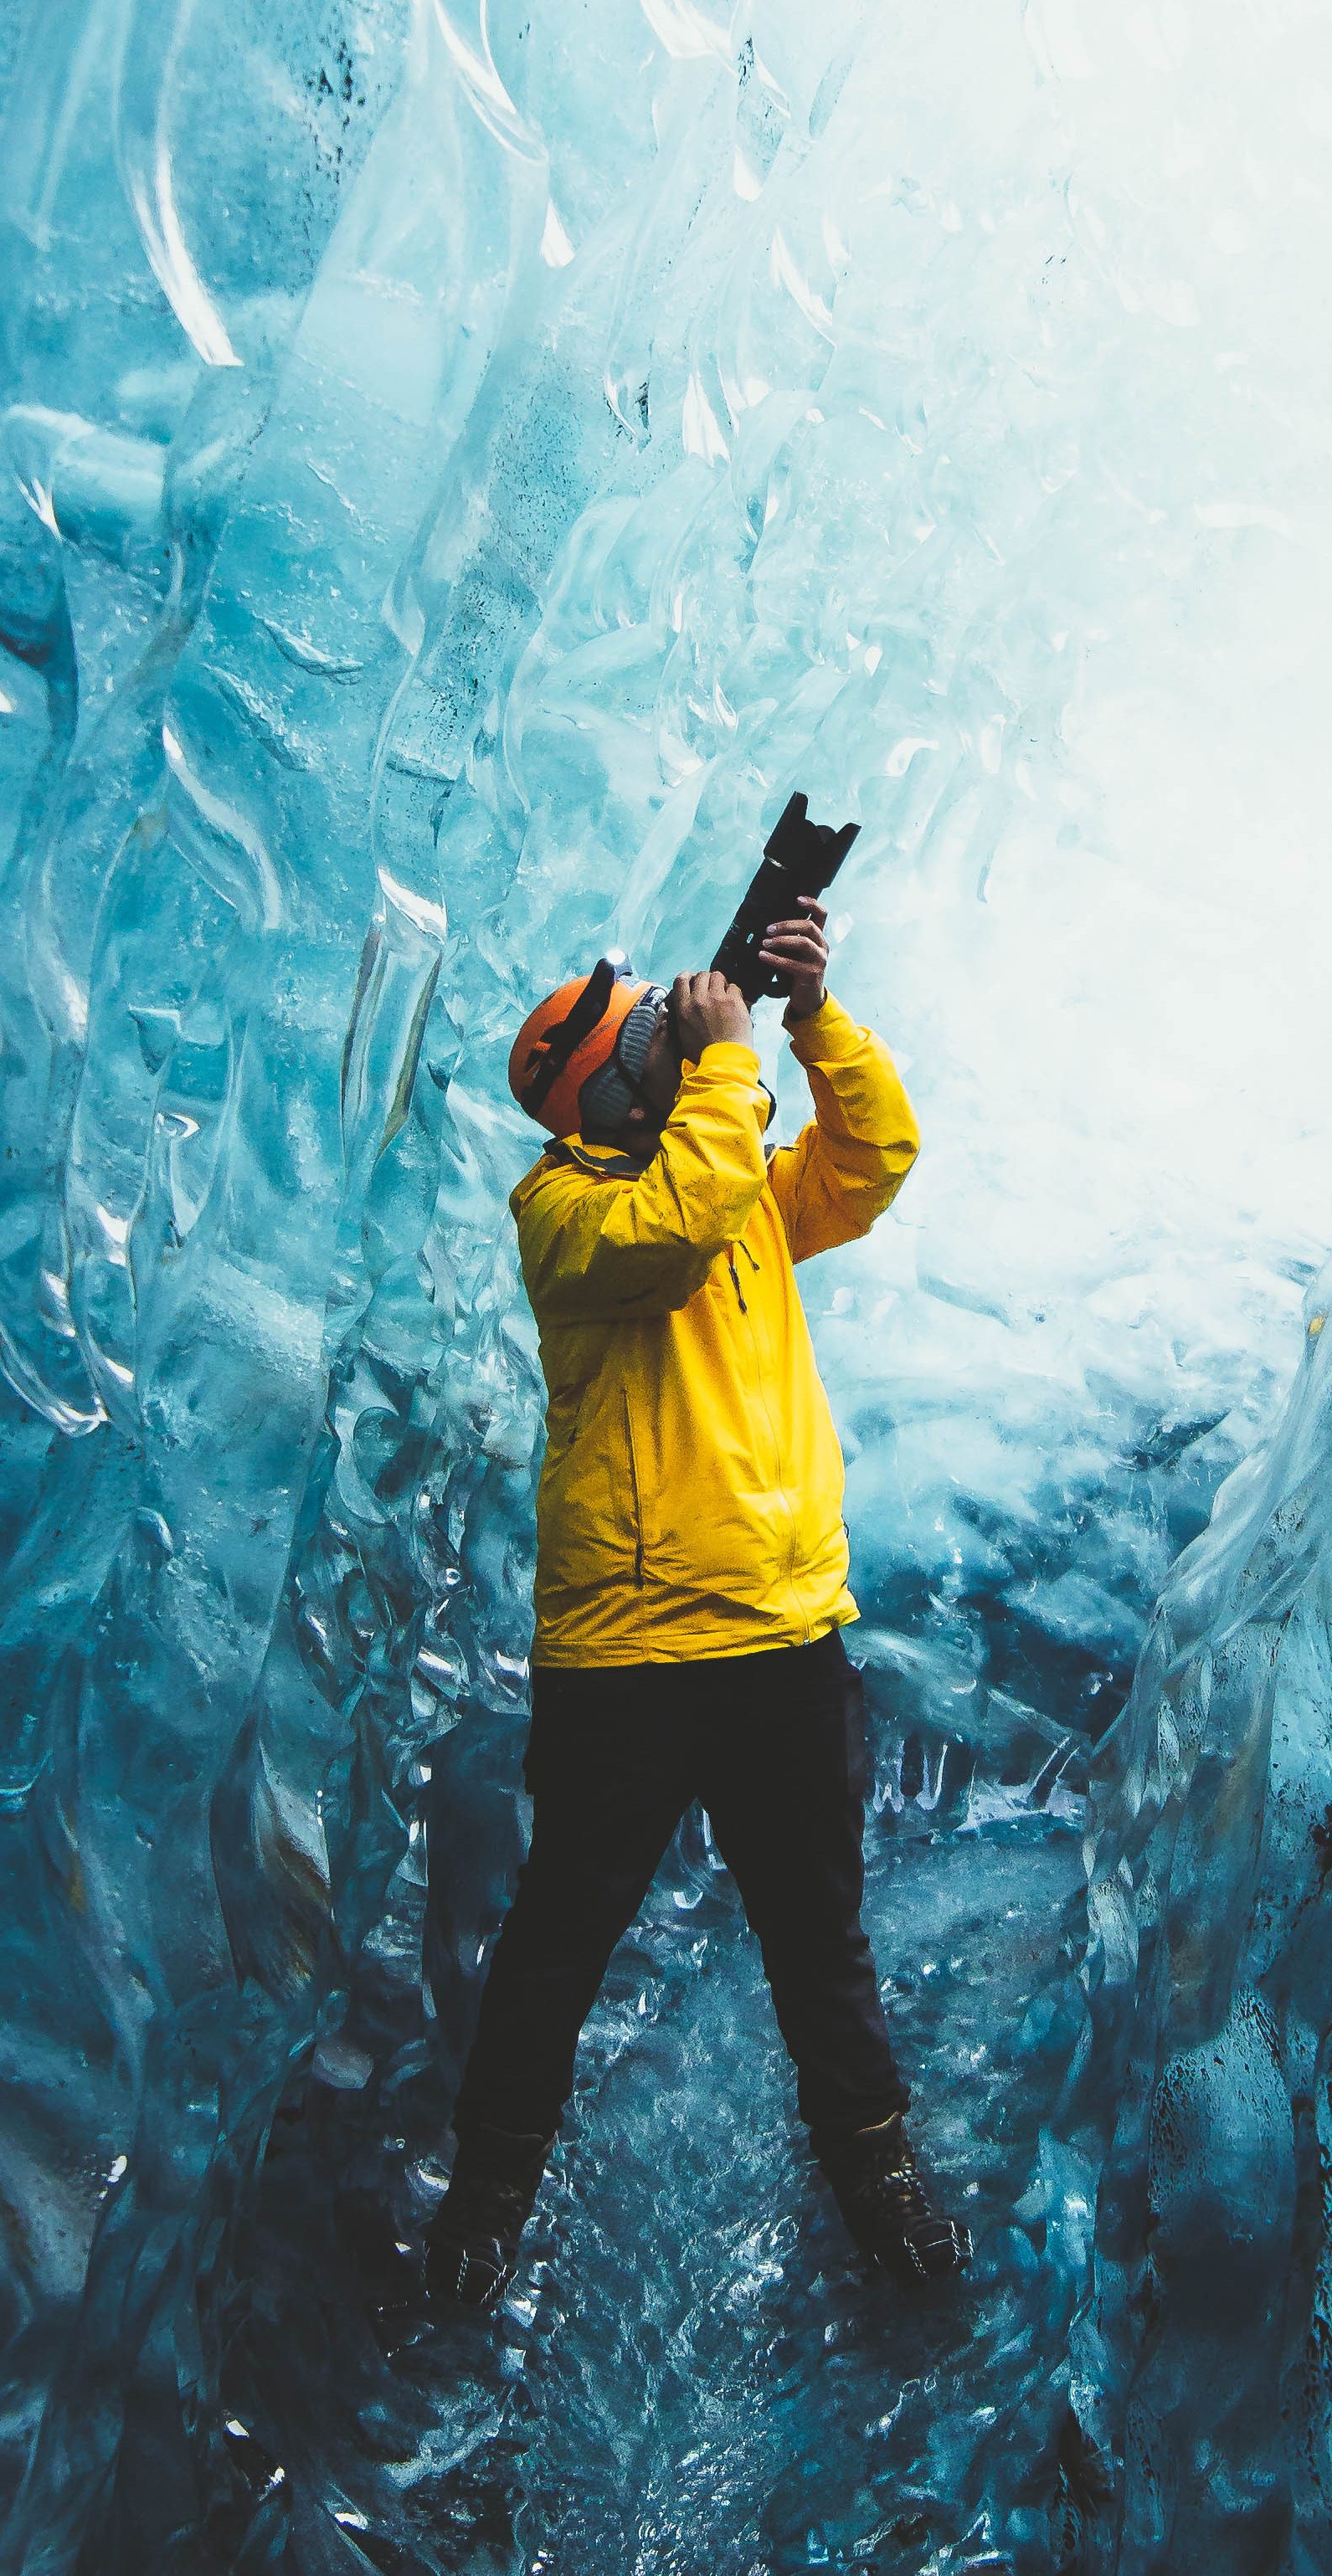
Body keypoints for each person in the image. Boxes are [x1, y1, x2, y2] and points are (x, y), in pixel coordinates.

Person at [425, 898, 973, 2307]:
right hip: (631, 1654)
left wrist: (811, 1020)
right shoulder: (567, 1212)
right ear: (603, 1091)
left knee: (818, 1934)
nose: (676, 1040)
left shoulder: (737, 1185)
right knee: (561, 1940)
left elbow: (875, 1159)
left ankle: (875, 2166)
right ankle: (485, 2200)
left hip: (782, 1633)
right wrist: (727, 1071)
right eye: (647, 1042)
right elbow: (664, 1233)